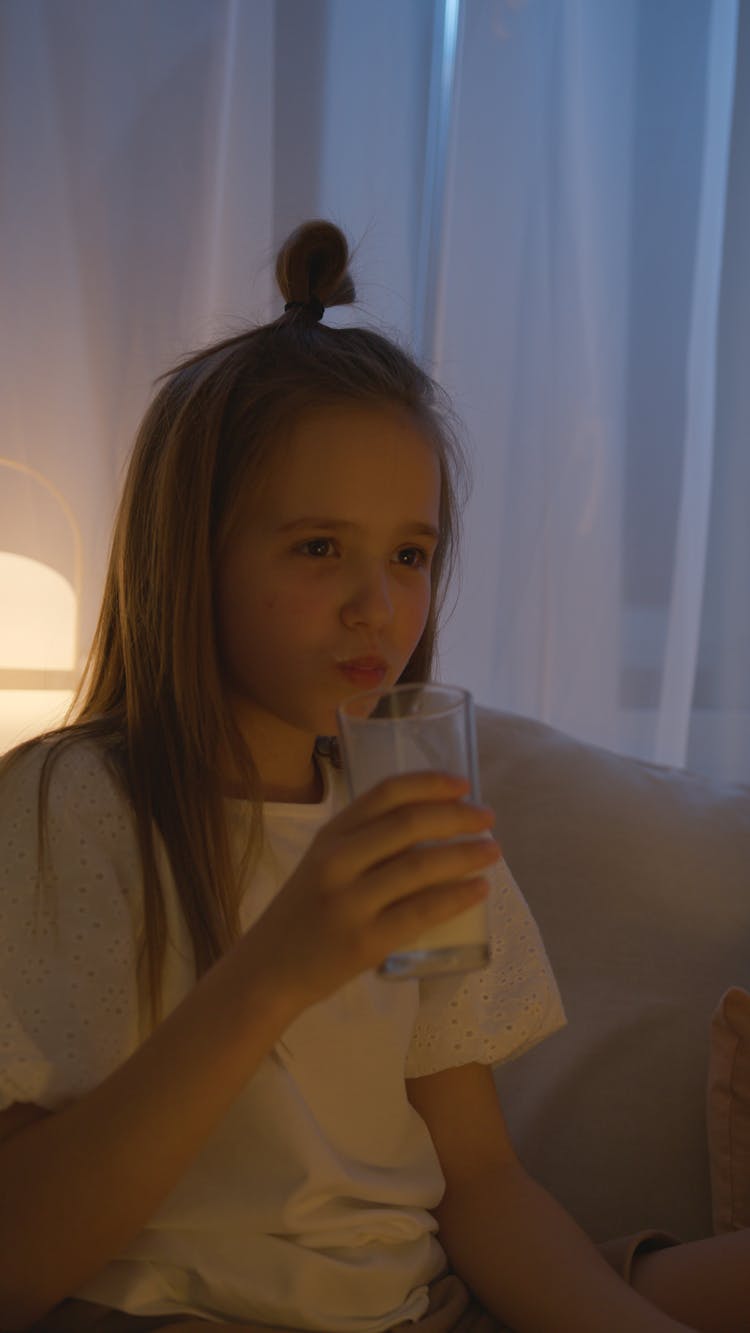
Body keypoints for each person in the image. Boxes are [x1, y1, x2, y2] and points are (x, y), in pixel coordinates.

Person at [0, 220, 747, 1333]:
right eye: (317, 548)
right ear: (185, 549)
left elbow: (483, 1184)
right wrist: (276, 969)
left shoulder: (405, 815)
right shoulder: (66, 810)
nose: (377, 606)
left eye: (409, 555)